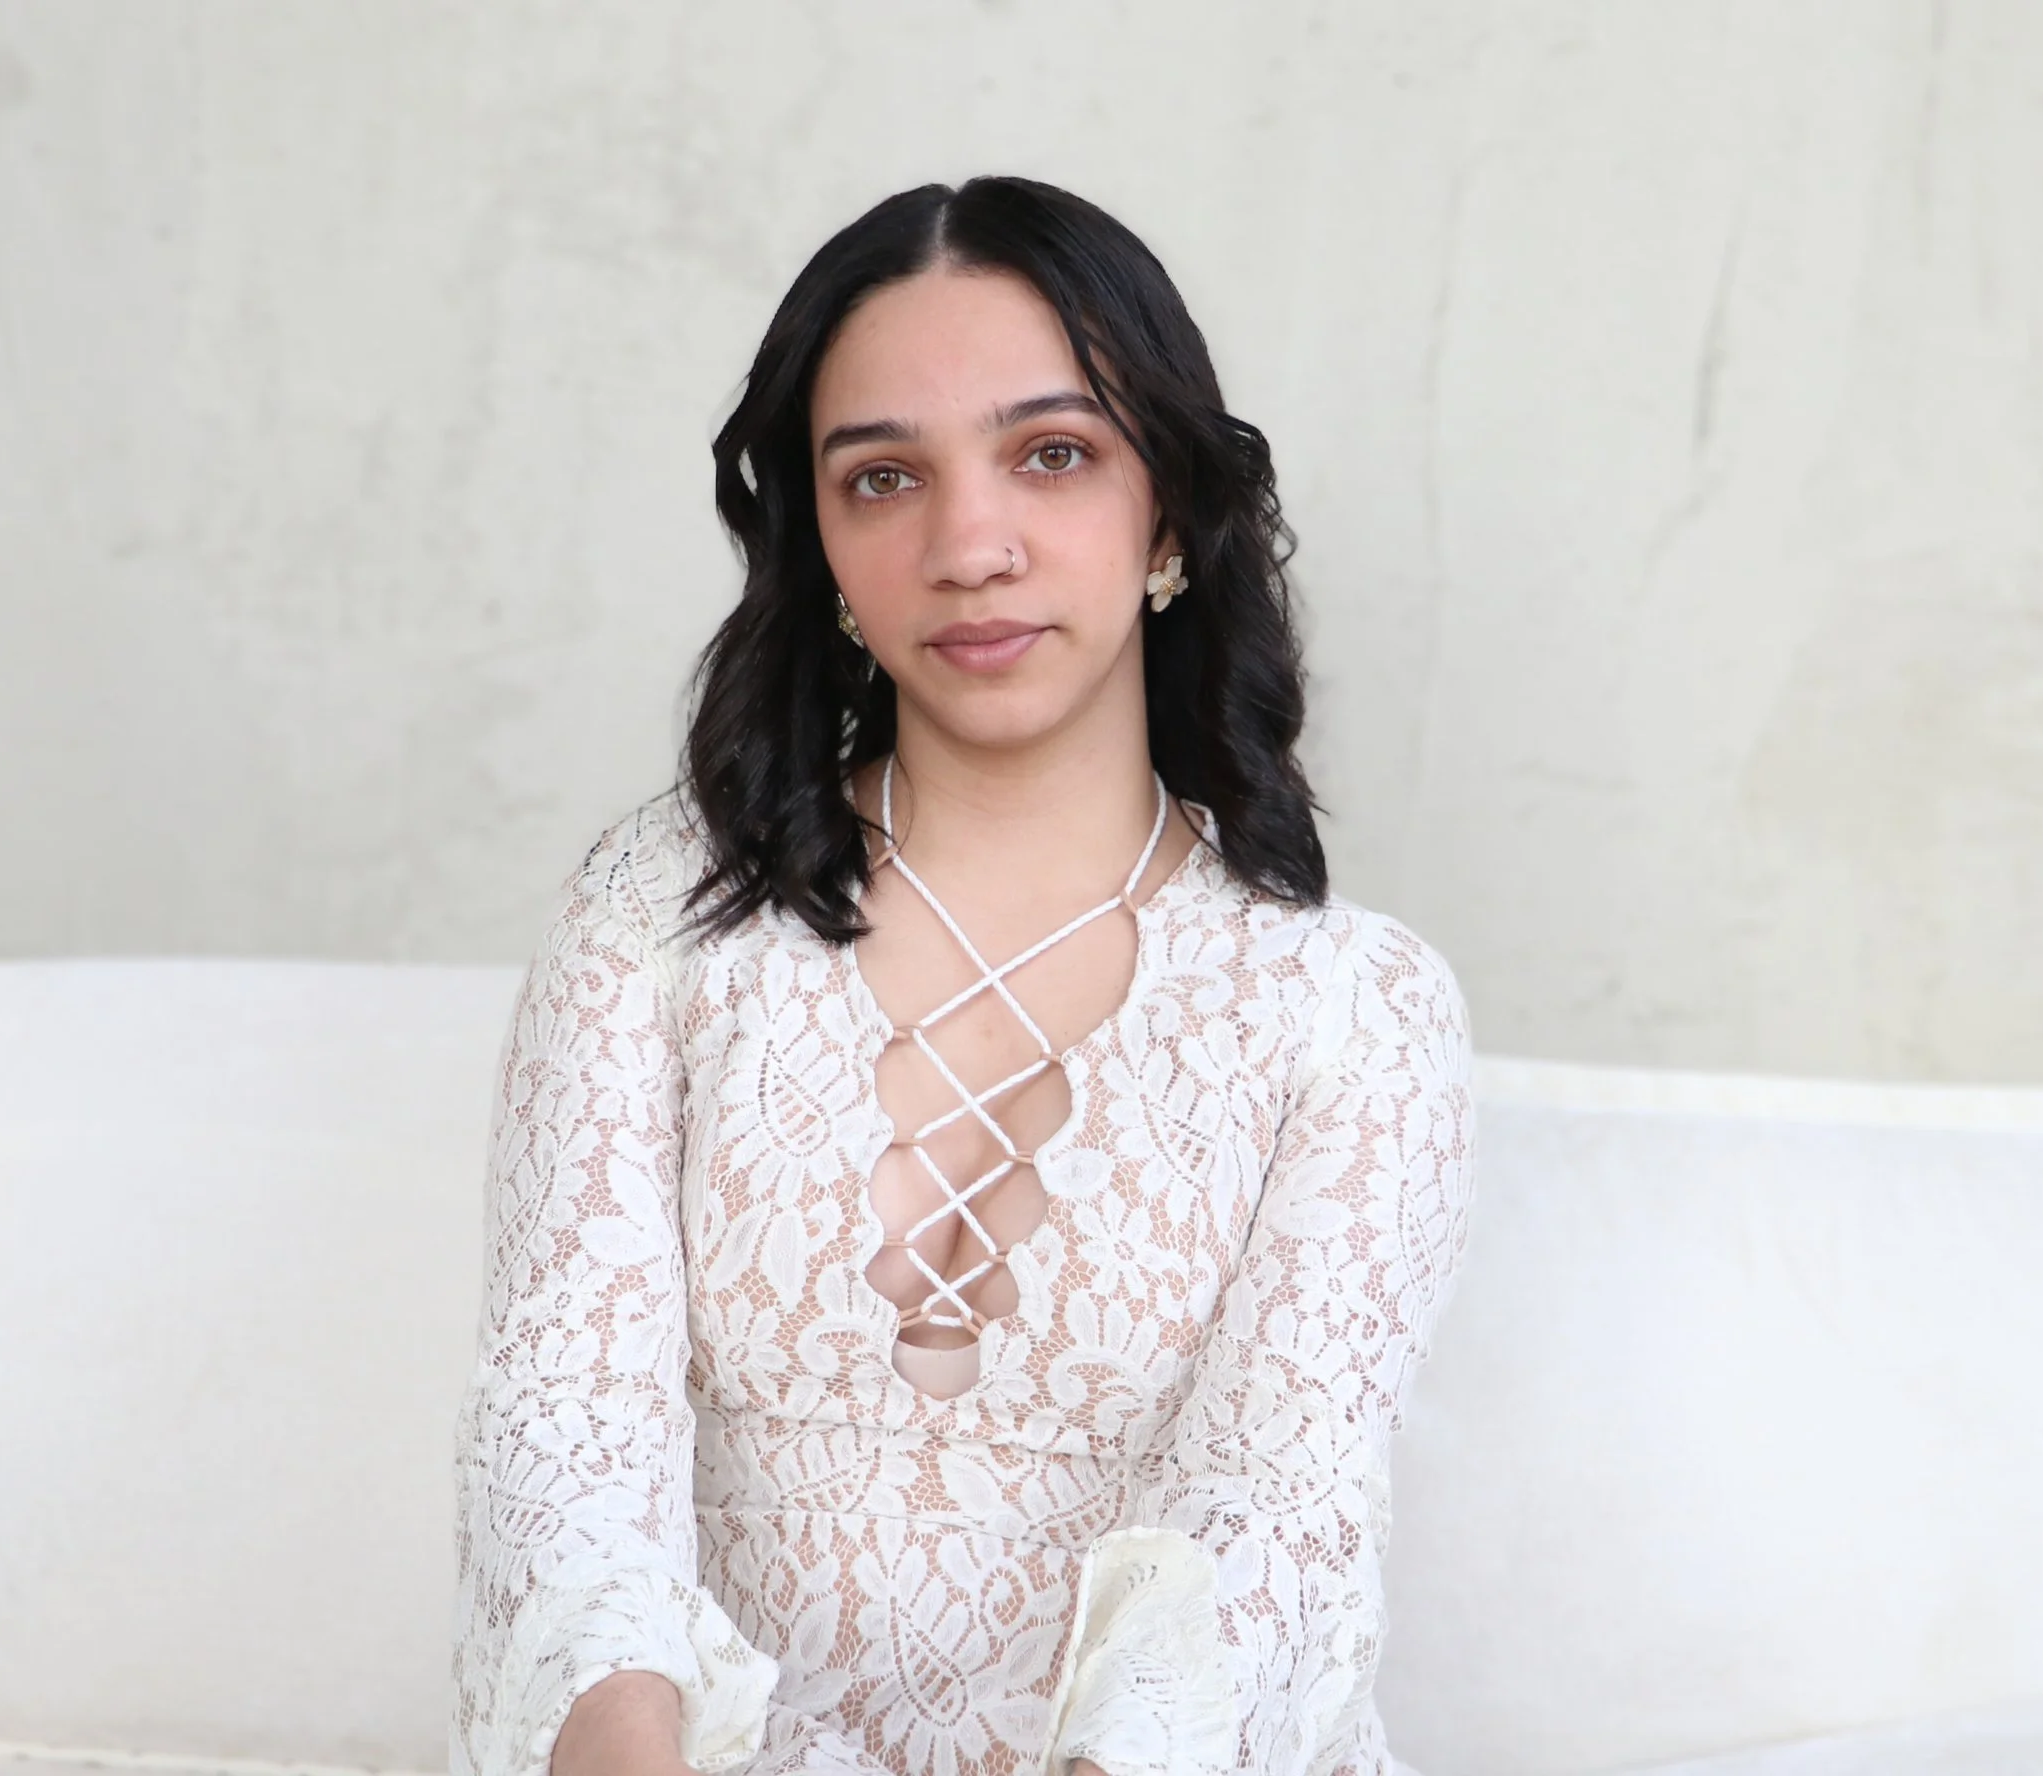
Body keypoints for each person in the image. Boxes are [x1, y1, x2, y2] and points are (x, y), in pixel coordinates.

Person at [450, 175, 1478, 1776]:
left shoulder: (1356, 1013)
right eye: (883, 479)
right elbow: (565, 1428)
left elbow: (1271, 1525)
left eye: (1051, 455)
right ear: (828, 551)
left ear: (1167, 518)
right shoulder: (655, 919)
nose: (969, 544)